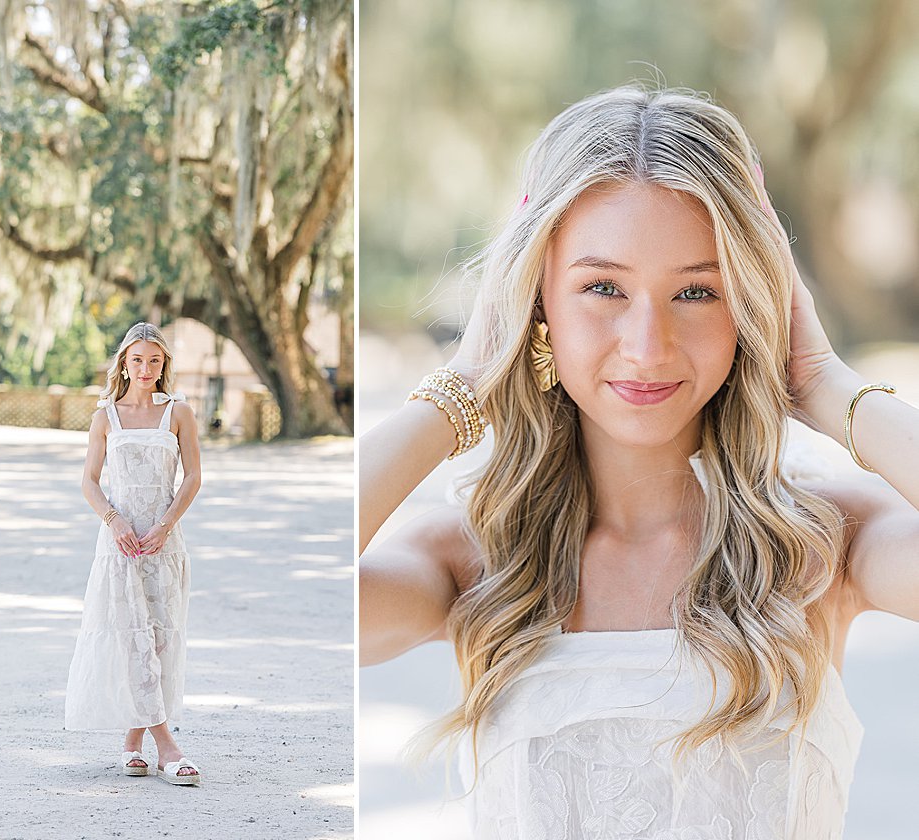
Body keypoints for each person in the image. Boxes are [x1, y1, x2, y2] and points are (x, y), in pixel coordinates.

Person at [359, 85, 919, 838]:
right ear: (535, 304)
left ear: (753, 305)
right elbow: (292, 611)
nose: (648, 345)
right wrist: (461, 388)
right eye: (602, 287)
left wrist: (822, 381)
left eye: (696, 290)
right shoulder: (473, 562)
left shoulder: (826, 543)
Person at [66, 321, 203, 785]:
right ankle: (168, 747)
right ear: (124, 363)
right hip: (120, 545)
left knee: (160, 641)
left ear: (165, 365)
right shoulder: (106, 416)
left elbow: (192, 478)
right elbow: (89, 480)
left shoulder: (178, 412)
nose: (146, 369)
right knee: (131, 639)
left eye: (155, 360)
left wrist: (165, 525)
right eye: (138, 359)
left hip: (163, 543)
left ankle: (131, 744)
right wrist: (114, 520)